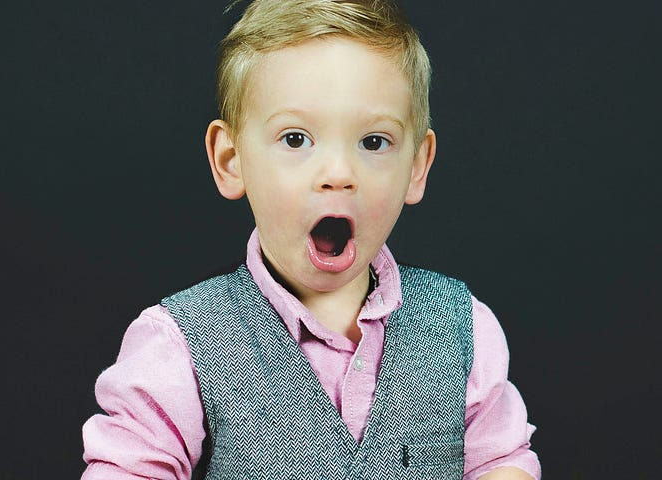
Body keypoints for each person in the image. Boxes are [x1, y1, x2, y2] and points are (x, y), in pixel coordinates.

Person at [79, 1, 540, 478]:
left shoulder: (463, 328)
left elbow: (501, 460)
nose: (338, 174)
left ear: (417, 168)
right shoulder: (180, 344)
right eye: (296, 139)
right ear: (231, 159)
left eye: (373, 142)